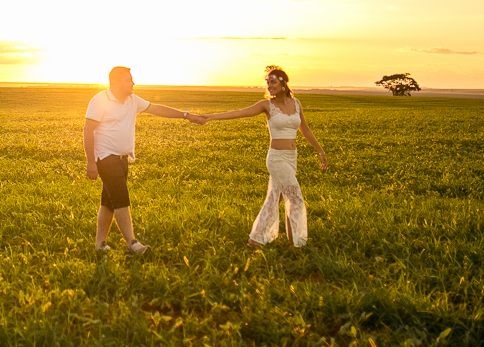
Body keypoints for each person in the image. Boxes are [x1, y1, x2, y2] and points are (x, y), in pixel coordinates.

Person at [197, 66, 328, 247]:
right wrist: (211, 117)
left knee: (275, 197)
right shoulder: (266, 105)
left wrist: (320, 151)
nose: (269, 86)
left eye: (272, 82)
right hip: (276, 159)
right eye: (267, 83)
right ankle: (297, 244)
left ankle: (256, 240)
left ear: (283, 83)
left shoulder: (296, 103)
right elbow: (239, 113)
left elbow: (304, 129)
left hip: (292, 157)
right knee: (295, 197)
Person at [83, 66, 205, 254]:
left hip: (123, 158)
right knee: (121, 199)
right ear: (115, 82)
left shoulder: (133, 101)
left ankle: (100, 245)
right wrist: (91, 161)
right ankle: (132, 244)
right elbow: (88, 130)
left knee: (108, 203)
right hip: (106, 157)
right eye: (128, 80)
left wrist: (186, 115)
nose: (133, 83)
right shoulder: (99, 101)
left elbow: (157, 109)